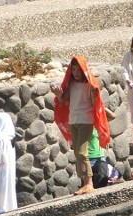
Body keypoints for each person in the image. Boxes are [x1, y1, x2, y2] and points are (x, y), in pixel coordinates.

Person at [51, 55, 111, 195]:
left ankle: (89, 183)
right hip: (74, 120)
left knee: (81, 152)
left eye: (79, 70)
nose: (76, 73)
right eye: (73, 70)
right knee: (77, 154)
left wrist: (94, 95)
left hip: (86, 121)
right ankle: (84, 182)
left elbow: (95, 103)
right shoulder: (71, 84)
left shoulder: (90, 85)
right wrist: (59, 95)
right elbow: (64, 101)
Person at [0, 110, 17, 212]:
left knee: (0, 202)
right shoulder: (10, 139)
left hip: (0, 174)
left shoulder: (0, 140)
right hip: (8, 172)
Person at [88, 109, 123, 187]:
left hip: (101, 158)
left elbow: (113, 116)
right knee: (102, 184)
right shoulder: (84, 126)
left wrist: (99, 105)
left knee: (116, 179)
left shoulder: (99, 124)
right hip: (90, 160)